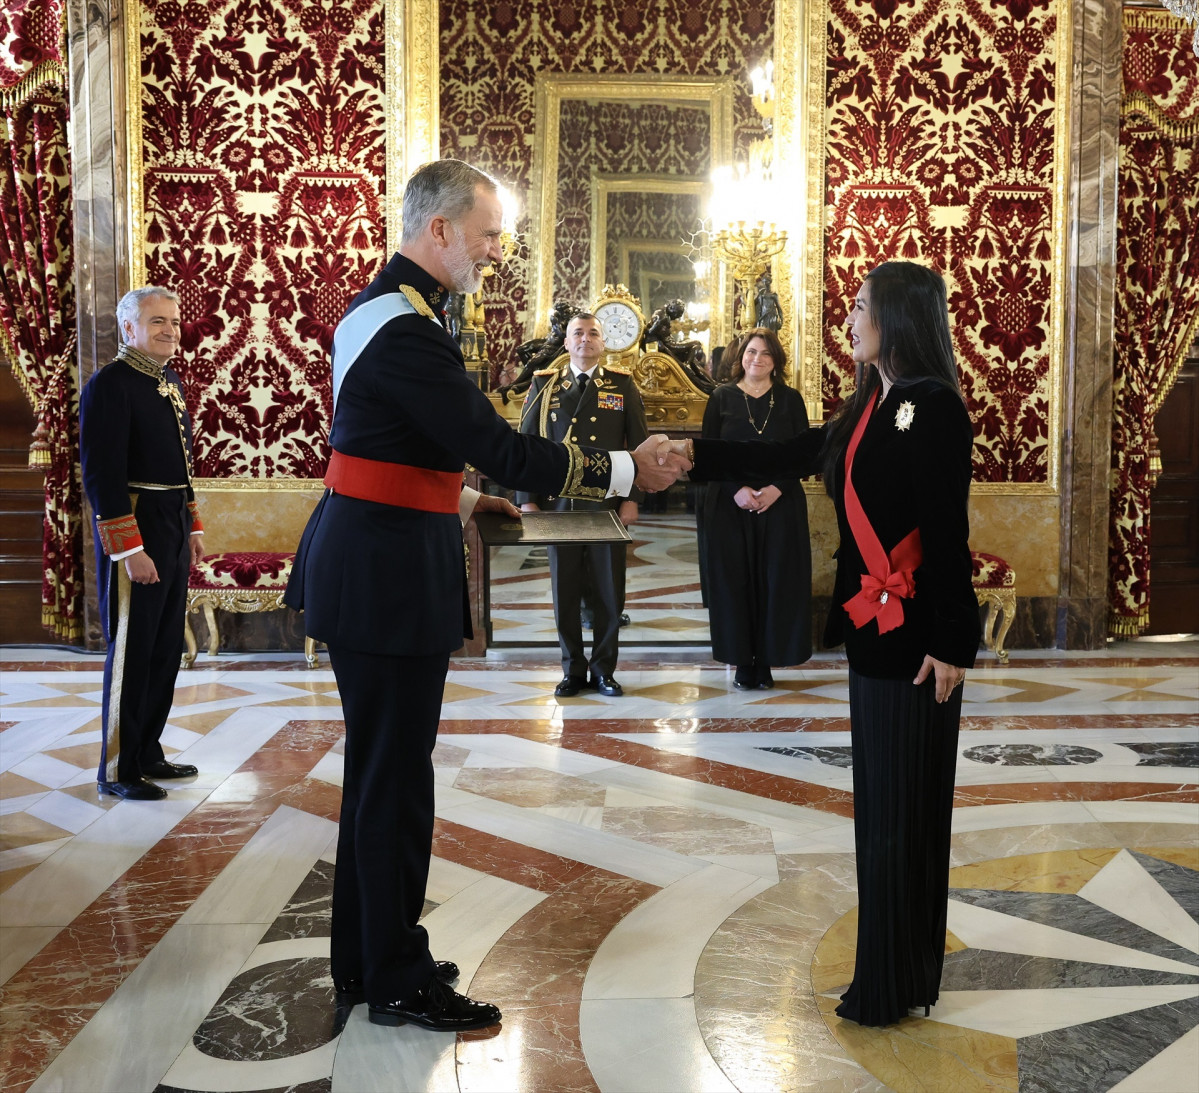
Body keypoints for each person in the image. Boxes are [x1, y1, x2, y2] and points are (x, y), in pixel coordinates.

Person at [284, 159, 683, 1034]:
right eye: (487, 233)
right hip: (385, 573)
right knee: (394, 780)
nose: (495, 251)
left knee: (379, 773)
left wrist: (464, 500)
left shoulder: (383, 310)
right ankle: (394, 975)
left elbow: (386, 444)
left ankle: (364, 956)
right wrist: (624, 467)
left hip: (373, 556)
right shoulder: (409, 329)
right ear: (437, 230)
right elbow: (492, 440)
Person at [672, 261, 980, 1027]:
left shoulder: (930, 405)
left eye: (861, 306)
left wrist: (952, 642)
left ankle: (895, 976)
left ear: (899, 317)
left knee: (905, 813)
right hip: (870, 631)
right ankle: (890, 970)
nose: (848, 319)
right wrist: (692, 455)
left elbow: (946, 530)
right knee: (880, 809)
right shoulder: (870, 398)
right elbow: (787, 452)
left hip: (915, 640)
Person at [79, 287, 206, 801]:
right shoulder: (110, 386)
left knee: (163, 649)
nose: (169, 331)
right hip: (136, 524)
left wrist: (193, 526)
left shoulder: (167, 380)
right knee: (132, 650)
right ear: (129, 328)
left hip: (171, 522)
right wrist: (129, 549)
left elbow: (183, 463)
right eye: (157, 322)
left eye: (174, 322)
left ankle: (147, 750)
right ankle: (117, 768)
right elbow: (102, 476)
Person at [515, 313, 649, 697]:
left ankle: (604, 669)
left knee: (610, 592)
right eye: (578, 333)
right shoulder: (544, 387)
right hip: (558, 506)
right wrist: (527, 501)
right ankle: (572, 668)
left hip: (606, 505)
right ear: (566, 342)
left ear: (603, 343)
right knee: (565, 592)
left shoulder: (622, 386)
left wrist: (632, 500)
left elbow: (638, 448)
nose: (585, 339)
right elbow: (526, 446)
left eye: (593, 334)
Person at [697, 327, 812, 689]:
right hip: (731, 505)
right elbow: (707, 455)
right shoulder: (721, 398)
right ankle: (742, 661)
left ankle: (767, 660)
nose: (756, 359)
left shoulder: (790, 399)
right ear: (739, 357)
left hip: (780, 504)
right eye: (750, 352)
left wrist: (777, 488)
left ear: (775, 361)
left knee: (775, 582)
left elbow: (805, 455)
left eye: (764, 353)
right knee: (736, 583)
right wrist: (737, 489)